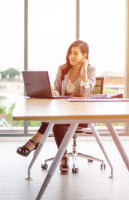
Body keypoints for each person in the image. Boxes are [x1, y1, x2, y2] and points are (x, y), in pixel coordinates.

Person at [16, 40, 96, 175]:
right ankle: (62, 156)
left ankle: (36, 141)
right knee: (56, 120)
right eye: (70, 53)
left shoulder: (91, 70)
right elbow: (58, 89)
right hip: (63, 111)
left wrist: (83, 72)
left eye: (76, 53)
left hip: (81, 114)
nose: (72, 56)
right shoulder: (62, 69)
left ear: (85, 56)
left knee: (55, 121)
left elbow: (85, 94)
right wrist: (54, 93)